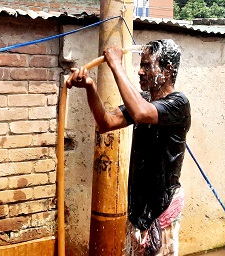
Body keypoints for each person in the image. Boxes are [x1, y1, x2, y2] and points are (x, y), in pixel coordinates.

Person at [66, 39, 191, 256]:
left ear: (168, 70)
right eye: (140, 65)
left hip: (162, 207)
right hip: (139, 207)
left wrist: (116, 64)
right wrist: (90, 87)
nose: (140, 72)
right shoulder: (143, 100)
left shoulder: (178, 104)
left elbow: (142, 113)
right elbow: (106, 122)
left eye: (147, 65)